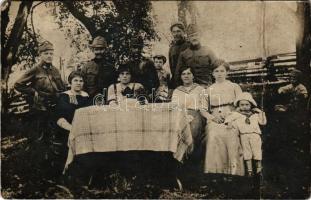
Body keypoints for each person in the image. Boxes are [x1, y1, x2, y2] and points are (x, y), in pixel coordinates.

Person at [14, 40, 65, 141]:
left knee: (55, 132)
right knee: (41, 135)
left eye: (51, 53)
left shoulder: (55, 70)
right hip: (40, 107)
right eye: (46, 53)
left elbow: (62, 88)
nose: (49, 56)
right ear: (40, 55)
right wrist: (33, 92)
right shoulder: (35, 69)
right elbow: (18, 84)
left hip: (55, 105)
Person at [200, 59, 244, 175]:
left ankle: (234, 172)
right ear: (212, 73)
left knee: (232, 133)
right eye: (216, 71)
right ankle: (214, 172)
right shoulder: (208, 90)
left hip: (232, 116)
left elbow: (241, 104)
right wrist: (213, 118)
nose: (219, 73)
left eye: (222, 71)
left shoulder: (234, 86)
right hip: (214, 117)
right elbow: (203, 110)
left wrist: (231, 116)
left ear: (226, 72)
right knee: (213, 134)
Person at [55, 71, 91, 176]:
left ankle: (86, 171)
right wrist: (72, 128)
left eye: (81, 81)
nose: (79, 83)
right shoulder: (64, 97)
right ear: (70, 82)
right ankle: (68, 170)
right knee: (75, 138)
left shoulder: (86, 96)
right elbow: (60, 117)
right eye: (75, 80)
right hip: (66, 128)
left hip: (83, 128)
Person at [225, 92, 267, 177]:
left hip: (255, 135)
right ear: (239, 106)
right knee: (247, 153)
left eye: (247, 104)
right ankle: (250, 170)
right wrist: (229, 122)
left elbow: (263, 122)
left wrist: (260, 112)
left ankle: (259, 169)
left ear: (251, 105)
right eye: (242, 105)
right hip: (244, 135)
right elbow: (228, 118)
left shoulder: (254, 115)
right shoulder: (237, 114)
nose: (244, 106)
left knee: (257, 151)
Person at [171, 66, 206, 162]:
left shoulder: (200, 89)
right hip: (180, 114)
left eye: (188, 73)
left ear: (193, 76)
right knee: (176, 129)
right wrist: (183, 114)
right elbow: (174, 106)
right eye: (183, 74)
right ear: (180, 77)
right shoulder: (177, 90)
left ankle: (189, 158)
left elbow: (204, 107)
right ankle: (178, 159)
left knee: (192, 129)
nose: (186, 76)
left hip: (196, 114)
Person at [80, 36, 117, 100]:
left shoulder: (111, 67)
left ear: (105, 49)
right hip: (90, 100)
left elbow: (114, 87)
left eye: (101, 49)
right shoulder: (86, 67)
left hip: (107, 101)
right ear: (93, 50)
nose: (99, 52)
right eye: (96, 49)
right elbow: (82, 86)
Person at [168, 22, 190, 89]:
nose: (176, 34)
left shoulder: (189, 45)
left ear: (183, 32)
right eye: (174, 32)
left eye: (178, 31)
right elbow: (172, 67)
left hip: (188, 80)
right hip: (176, 81)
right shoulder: (172, 48)